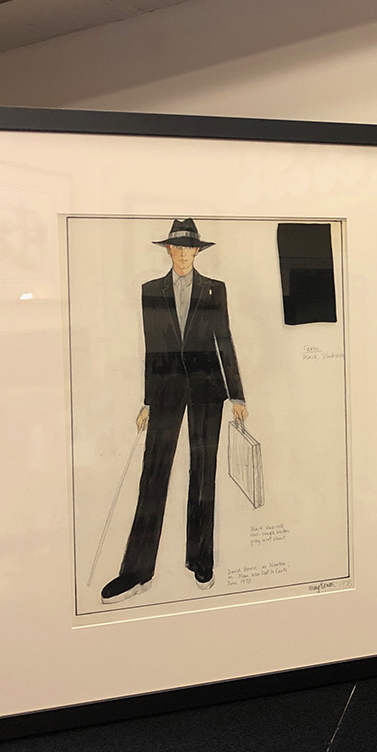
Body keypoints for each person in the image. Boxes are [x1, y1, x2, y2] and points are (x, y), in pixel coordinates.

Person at [101, 218, 248, 604]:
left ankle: (200, 560)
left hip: (207, 389)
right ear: (168, 250)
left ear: (199, 252)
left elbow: (225, 340)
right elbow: (153, 348)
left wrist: (237, 395)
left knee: (203, 475)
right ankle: (136, 572)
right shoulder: (151, 290)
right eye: (177, 248)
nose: (183, 255)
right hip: (165, 390)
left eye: (190, 249)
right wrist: (148, 400)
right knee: (153, 474)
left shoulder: (215, 289)